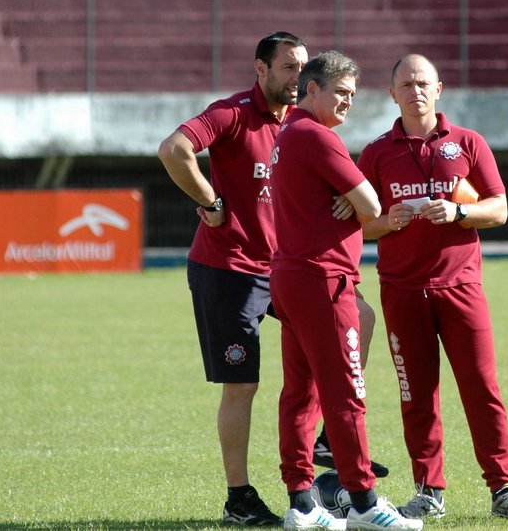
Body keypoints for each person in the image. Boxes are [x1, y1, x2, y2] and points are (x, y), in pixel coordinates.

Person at [158, 32, 384, 528]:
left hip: (287, 268)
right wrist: (212, 205)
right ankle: (239, 496)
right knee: (243, 385)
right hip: (230, 268)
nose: (297, 76)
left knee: (359, 317)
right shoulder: (233, 113)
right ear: (261, 70)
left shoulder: (304, 125)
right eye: (288, 67)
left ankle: (327, 438)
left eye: (304, 68)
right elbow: (173, 149)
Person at [357, 53, 508, 522]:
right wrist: (388, 220)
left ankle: (504, 488)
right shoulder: (376, 152)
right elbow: (359, 225)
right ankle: (428, 489)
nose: (415, 91)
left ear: (439, 90)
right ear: (392, 93)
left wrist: (458, 213)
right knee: (416, 395)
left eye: (424, 83)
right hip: (401, 290)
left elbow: (499, 210)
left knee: (482, 388)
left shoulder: (468, 142)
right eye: (406, 84)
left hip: (461, 287)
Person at [268, 50, 423, 531]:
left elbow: (357, 205)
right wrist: (354, 201)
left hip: (292, 276)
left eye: (354, 95)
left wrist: (349, 202)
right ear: (310, 89)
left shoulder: (287, 134)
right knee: (345, 392)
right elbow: (372, 202)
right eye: (340, 92)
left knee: (300, 392)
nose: (348, 102)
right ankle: (363, 503)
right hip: (323, 280)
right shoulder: (318, 136)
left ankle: (302, 504)